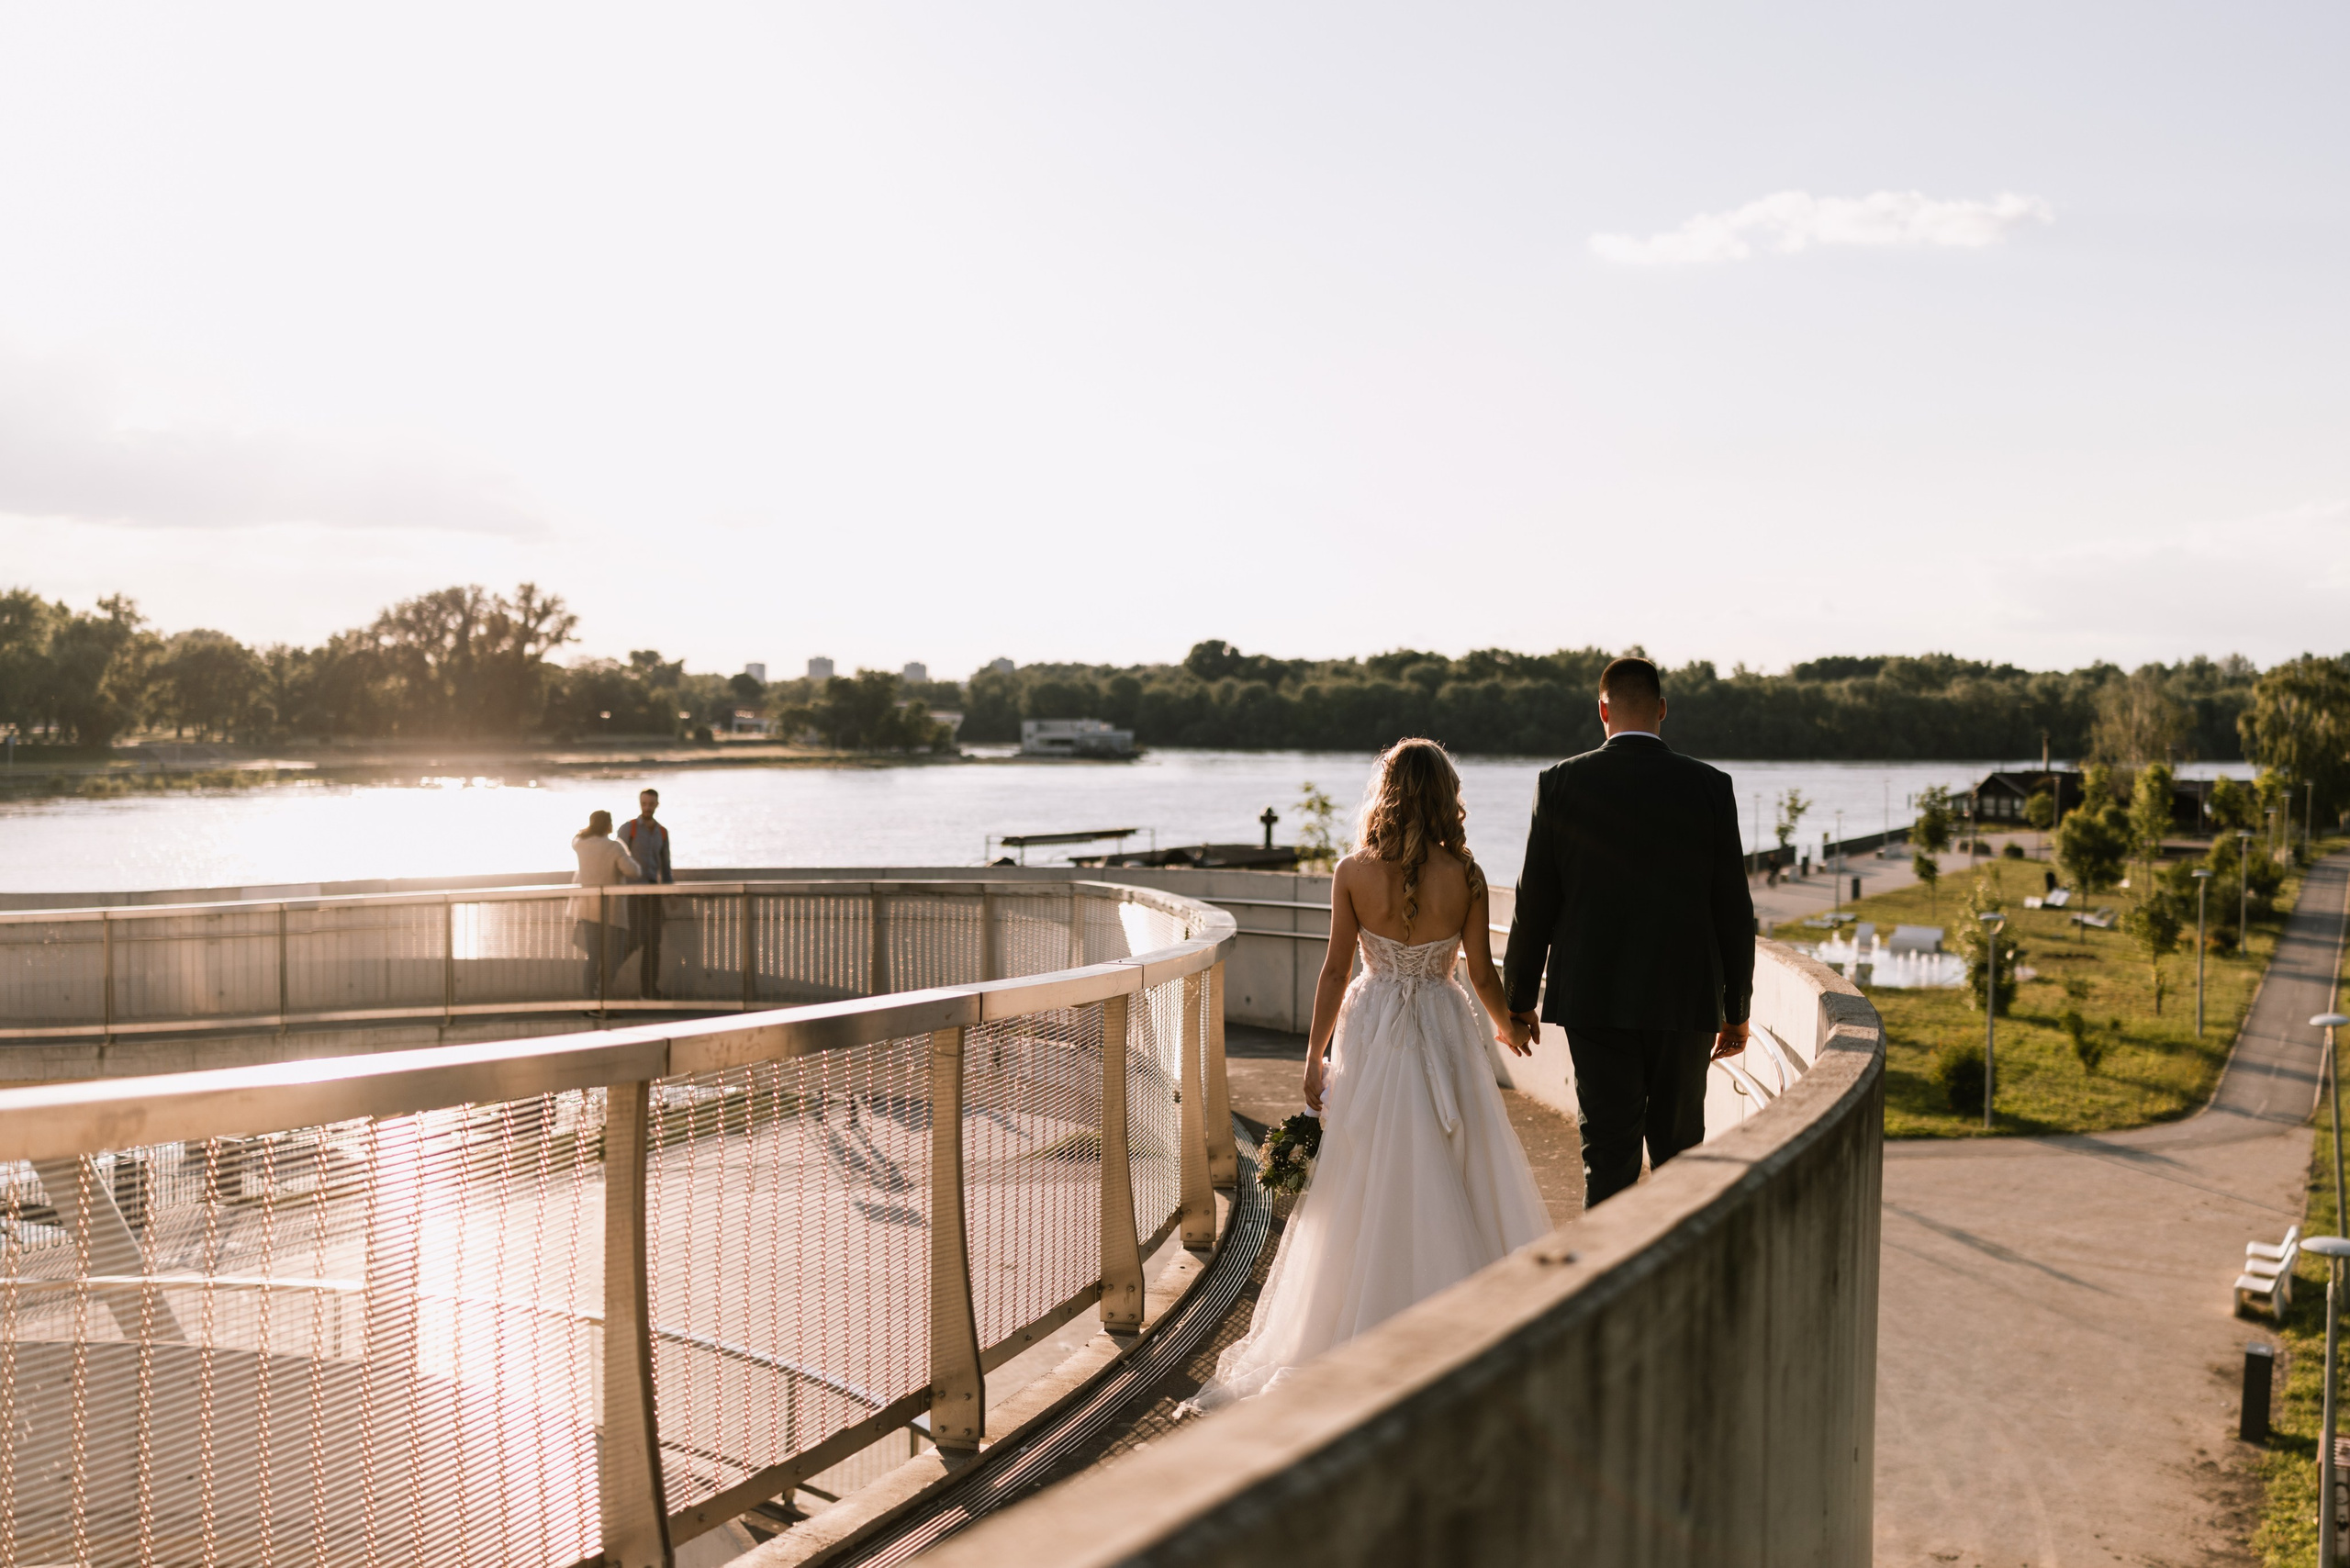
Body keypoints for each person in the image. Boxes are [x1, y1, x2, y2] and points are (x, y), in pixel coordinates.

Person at [1185, 739, 1550, 1411]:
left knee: (1364, 1167)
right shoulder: (1466, 875)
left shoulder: (1352, 871)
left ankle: (1358, 1319)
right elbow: (1480, 972)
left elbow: (1334, 970)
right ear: (1446, 796)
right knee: (1457, 1159)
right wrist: (1508, 1024)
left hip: (1373, 1024)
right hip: (1441, 1025)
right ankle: (1454, 1325)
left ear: (1386, 794)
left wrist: (1313, 1055)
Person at [1502, 655, 1754, 1209]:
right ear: (1662, 709)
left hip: (1594, 998)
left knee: (1608, 1155)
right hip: (1685, 999)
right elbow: (1734, 909)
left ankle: (1606, 1260)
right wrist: (1736, 1009)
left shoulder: (1560, 783)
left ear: (1602, 711)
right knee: (1679, 1155)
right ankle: (1677, 1258)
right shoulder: (1711, 787)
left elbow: (1534, 904)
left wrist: (1516, 1003)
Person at [572, 810, 640, 999]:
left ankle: (589, 1000)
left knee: (593, 957)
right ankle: (604, 998)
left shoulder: (581, 844)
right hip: (612, 911)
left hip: (588, 909)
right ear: (607, 825)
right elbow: (633, 871)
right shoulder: (614, 847)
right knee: (614, 957)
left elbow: (576, 838)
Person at [617, 789, 674, 999]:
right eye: (644, 803)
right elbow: (616, 859)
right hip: (632, 894)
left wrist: (670, 891)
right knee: (634, 939)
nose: (647, 808)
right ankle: (603, 978)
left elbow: (665, 866)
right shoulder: (629, 829)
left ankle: (649, 990)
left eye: (651, 804)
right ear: (640, 803)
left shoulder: (662, 832)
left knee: (654, 942)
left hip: (653, 894)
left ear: (657, 804)